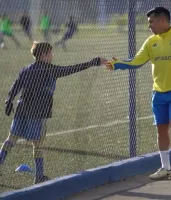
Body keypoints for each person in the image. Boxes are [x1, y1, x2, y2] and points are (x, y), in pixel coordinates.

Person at [105, 7, 171, 180]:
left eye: (151, 22)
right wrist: (118, 64)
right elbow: (136, 61)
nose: (149, 26)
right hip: (158, 94)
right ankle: (165, 168)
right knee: (161, 130)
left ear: (163, 20)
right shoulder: (150, 42)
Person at [0, 41, 107, 184]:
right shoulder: (50, 70)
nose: (52, 55)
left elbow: (16, 85)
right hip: (38, 113)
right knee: (37, 145)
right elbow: (72, 69)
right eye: (50, 52)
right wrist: (93, 62)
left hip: (22, 110)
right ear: (44, 55)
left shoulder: (26, 70)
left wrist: (9, 100)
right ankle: (39, 177)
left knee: (10, 140)